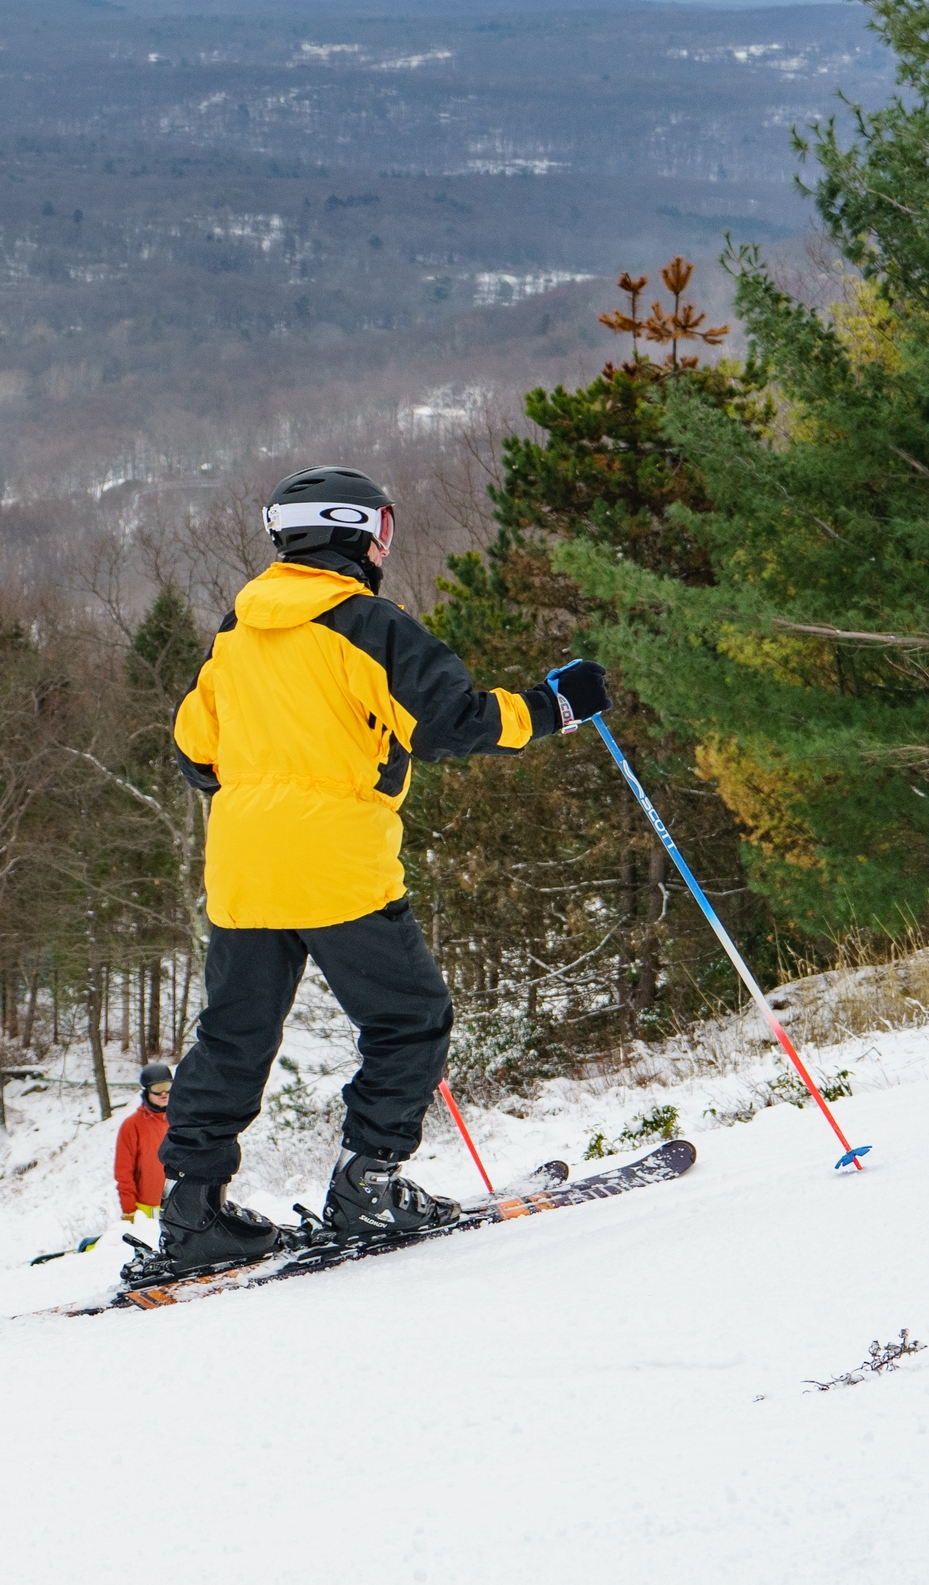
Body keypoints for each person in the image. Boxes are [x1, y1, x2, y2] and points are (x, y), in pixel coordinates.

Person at [150, 465, 607, 1278]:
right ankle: (368, 1184)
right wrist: (555, 707)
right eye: (384, 532)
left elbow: (193, 751)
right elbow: (453, 724)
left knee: (233, 1035)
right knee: (410, 1020)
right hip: (336, 863)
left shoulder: (236, 631)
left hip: (244, 866)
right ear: (362, 536)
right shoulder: (371, 625)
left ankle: (192, 1213)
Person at [112, 1061, 173, 1229]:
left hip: (178, 1209)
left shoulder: (180, 1121)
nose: (163, 1093)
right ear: (146, 1091)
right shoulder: (132, 1125)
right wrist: (130, 1212)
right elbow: (124, 1173)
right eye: (157, 1088)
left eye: (167, 1086)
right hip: (145, 1215)